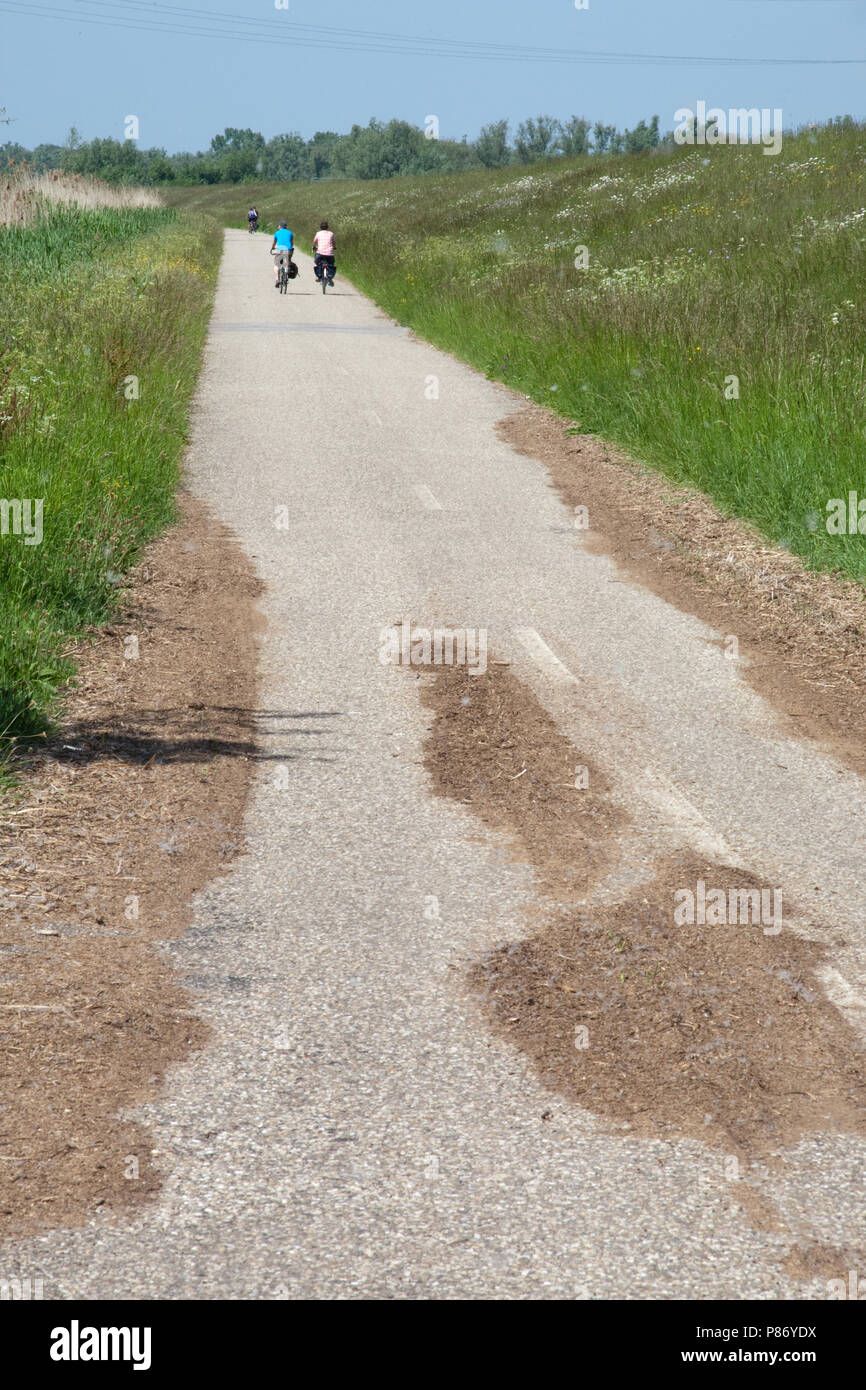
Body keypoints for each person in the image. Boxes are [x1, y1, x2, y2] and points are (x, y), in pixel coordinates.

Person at [270, 220, 294, 286]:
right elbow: (292, 244)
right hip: (288, 250)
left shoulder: (277, 233)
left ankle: (277, 279)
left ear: (280, 226)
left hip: (280, 250)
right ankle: (286, 271)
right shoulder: (290, 233)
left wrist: (272, 247)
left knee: (276, 264)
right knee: (287, 261)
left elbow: (274, 242)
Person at [312, 220, 336, 285]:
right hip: (329, 254)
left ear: (320, 227)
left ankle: (319, 276)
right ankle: (330, 276)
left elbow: (314, 241)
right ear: (327, 227)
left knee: (317, 262)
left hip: (320, 253)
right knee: (331, 264)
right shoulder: (331, 233)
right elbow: (333, 242)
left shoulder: (318, 233)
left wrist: (314, 247)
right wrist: (334, 247)